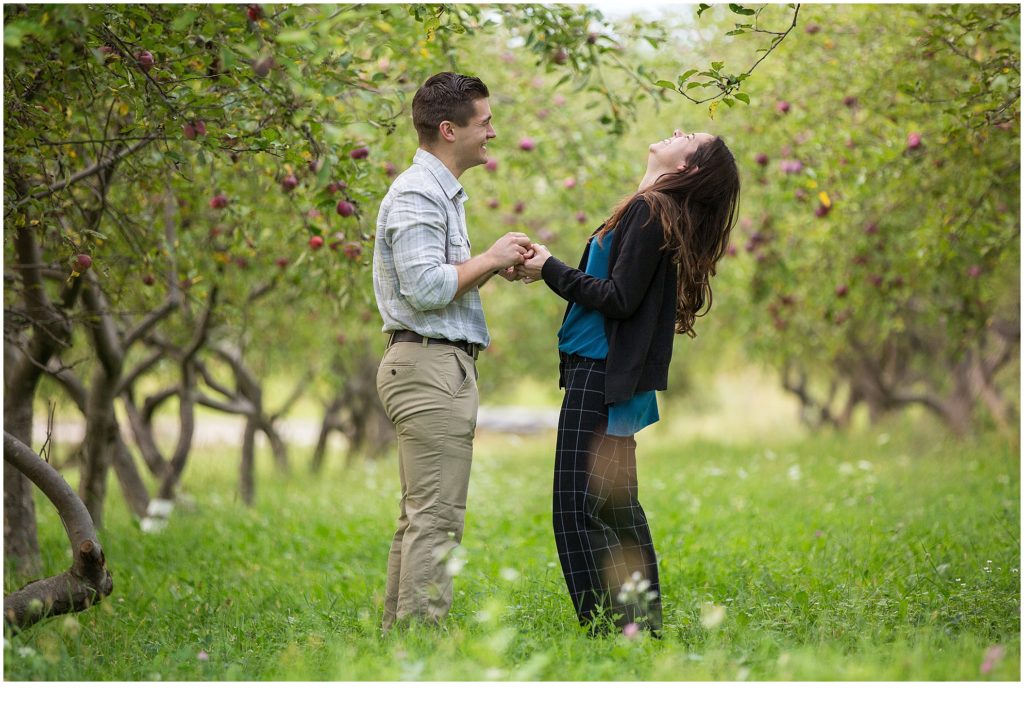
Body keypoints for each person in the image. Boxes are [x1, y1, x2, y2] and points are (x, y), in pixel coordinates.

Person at [517, 128, 741, 635]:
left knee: (577, 512)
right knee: (611, 508)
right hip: (601, 370)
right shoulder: (649, 209)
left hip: (599, 372)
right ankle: (639, 626)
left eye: (691, 137)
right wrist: (548, 270)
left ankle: (609, 630)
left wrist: (552, 268)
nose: (678, 130)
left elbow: (619, 298)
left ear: (690, 168)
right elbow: (617, 292)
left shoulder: (649, 211)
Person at [373, 72, 531, 631]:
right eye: (484, 122)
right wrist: (489, 258)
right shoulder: (419, 191)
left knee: (421, 516)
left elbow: (442, 282)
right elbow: (423, 288)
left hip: (435, 362)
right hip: (428, 366)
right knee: (437, 518)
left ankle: (398, 641)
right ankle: (420, 644)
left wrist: (492, 268)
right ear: (448, 129)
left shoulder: (440, 193)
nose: (492, 132)